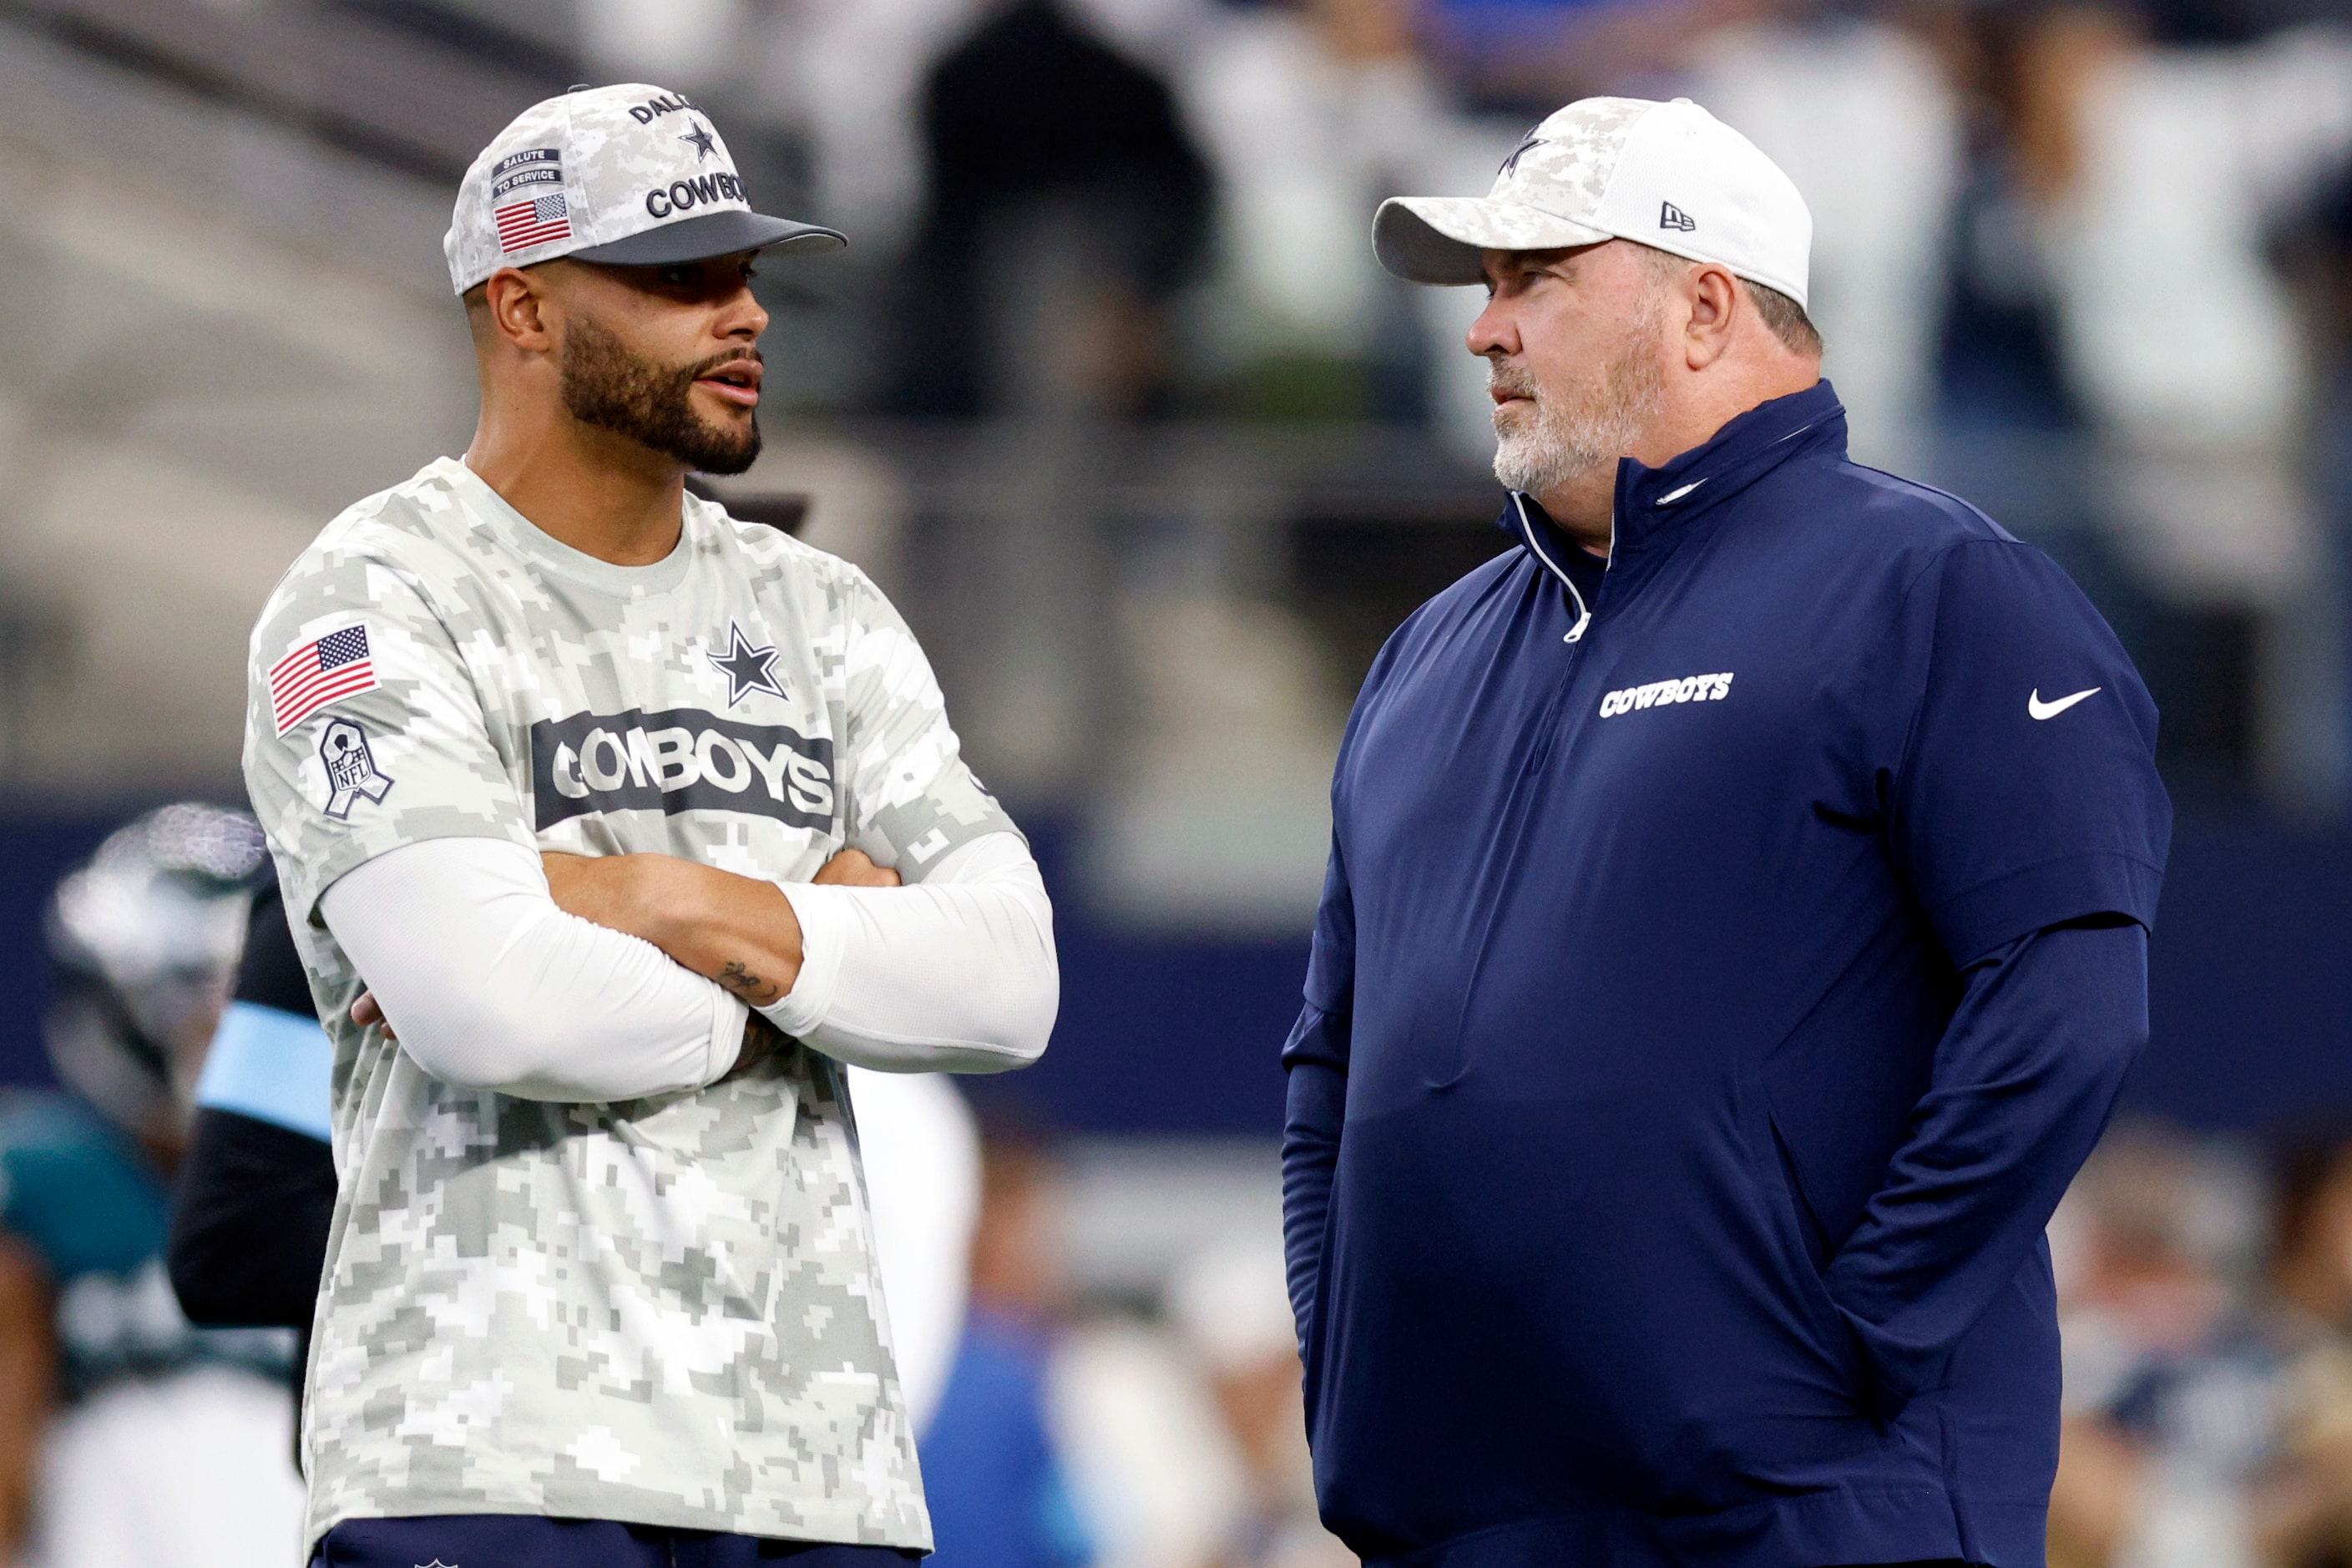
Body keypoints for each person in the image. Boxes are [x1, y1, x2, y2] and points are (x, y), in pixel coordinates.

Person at [1279, 95, 2171, 1568]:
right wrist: (1346, 1355)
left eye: (1535, 281)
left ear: (1703, 309)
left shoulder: (1936, 586)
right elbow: (1331, 1060)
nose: (1481, 333)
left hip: (1808, 1516)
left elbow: (2065, 1003)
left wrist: (1840, 1347)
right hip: (1457, 1515)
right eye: (1484, 290)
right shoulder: (1421, 656)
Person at [240, 83, 1059, 1567]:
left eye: (744, 275)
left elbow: (1009, 982)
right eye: (680, 279)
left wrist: (649, 897)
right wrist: (820, 958)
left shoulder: (825, 612)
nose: (742, 314)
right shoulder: (373, 596)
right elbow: (497, 1011)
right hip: (485, 1452)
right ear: (527, 307)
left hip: (819, 1474)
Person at [0, 804, 304, 1568]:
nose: (219, 1029)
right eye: (195, 1001)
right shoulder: (43, 1178)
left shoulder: (341, 1170)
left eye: (243, 995)